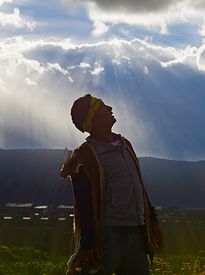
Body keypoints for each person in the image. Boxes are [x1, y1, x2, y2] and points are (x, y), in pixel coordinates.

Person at [60, 94, 163, 275]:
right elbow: (82, 203)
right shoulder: (84, 155)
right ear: (94, 117)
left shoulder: (126, 145)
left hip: (137, 233)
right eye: (102, 106)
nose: (109, 108)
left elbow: (139, 187)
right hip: (107, 237)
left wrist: (153, 222)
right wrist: (89, 242)